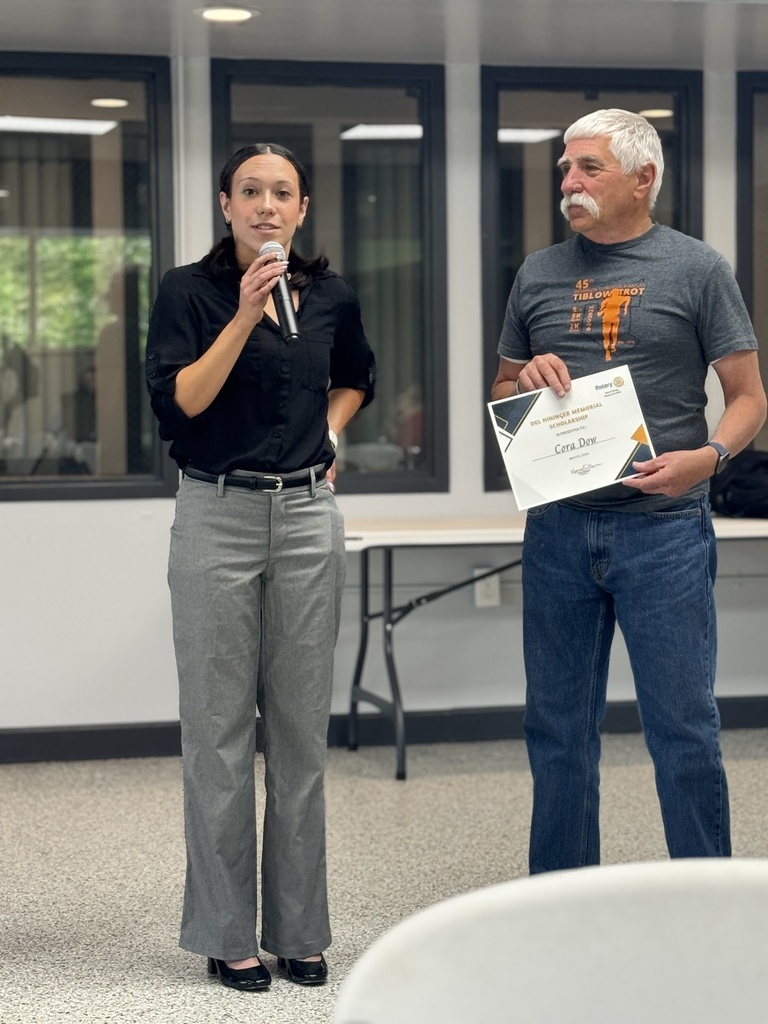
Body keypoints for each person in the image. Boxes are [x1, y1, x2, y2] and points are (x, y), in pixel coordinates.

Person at [491, 109, 766, 874]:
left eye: (588, 169)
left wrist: (707, 458)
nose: (569, 183)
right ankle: (560, 898)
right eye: (565, 170)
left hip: (665, 530)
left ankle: (707, 900)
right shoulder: (538, 273)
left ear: (644, 178)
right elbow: (503, 391)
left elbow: (749, 398)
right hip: (558, 532)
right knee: (555, 729)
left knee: (683, 728)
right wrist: (528, 378)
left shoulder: (697, 269)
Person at [145, 143, 375, 991]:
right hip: (218, 513)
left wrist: (335, 430)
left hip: (309, 515)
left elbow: (355, 377)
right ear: (226, 204)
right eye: (251, 191)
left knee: (300, 737)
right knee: (217, 735)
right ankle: (224, 932)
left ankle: (301, 929)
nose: (267, 206)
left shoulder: (331, 296)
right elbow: (184, 401)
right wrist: (243, 315)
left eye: (283, 192)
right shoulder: (189, 292)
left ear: (303, 207)